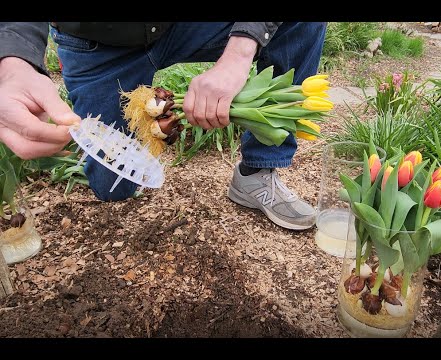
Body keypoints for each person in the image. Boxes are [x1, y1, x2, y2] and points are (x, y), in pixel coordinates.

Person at [0, 22, 327, 230]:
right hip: (97, 43)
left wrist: (239, 54)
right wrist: (13, 60)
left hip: (183, 27)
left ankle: (258, 172)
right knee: (113, 187)